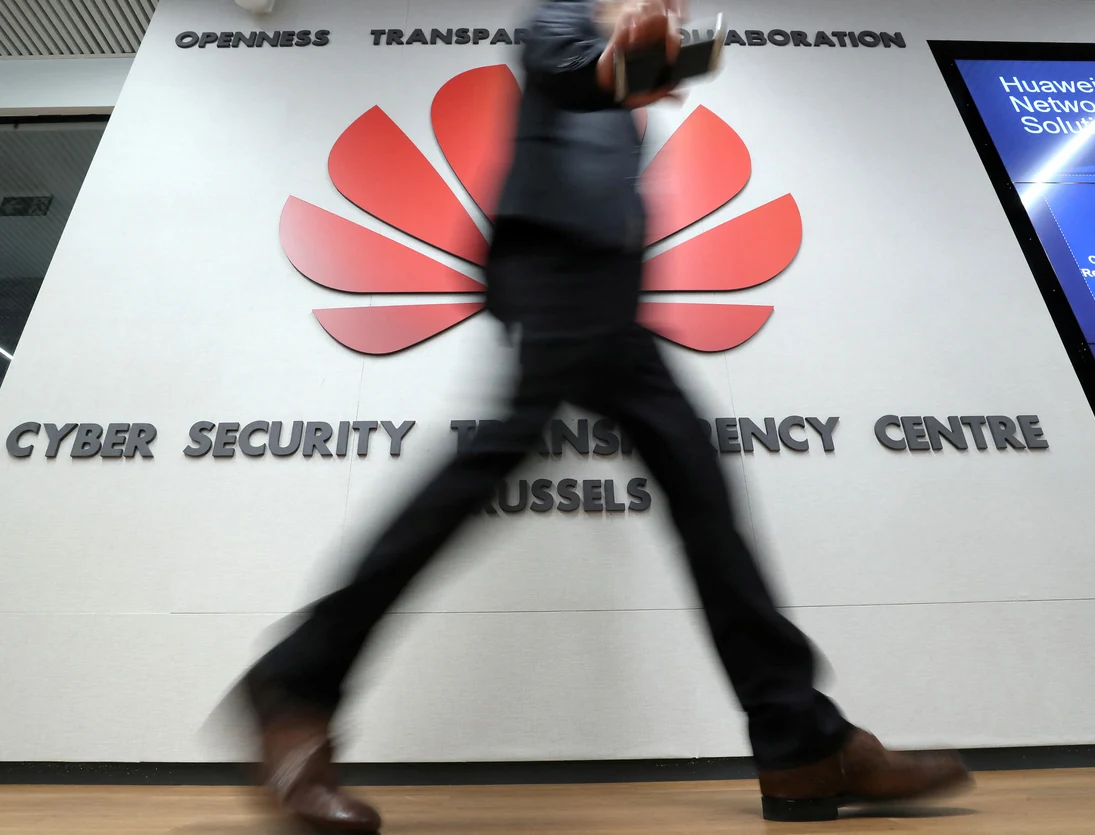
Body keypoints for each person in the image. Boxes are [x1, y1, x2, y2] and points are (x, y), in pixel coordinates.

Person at [232, 1, 972, 830]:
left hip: (609, 294)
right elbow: (567, 69)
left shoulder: (621, 61)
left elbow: (616, 86)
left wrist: (640, 66)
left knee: (699, 493)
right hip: (556, 272)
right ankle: (295, 682)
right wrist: (620, 57)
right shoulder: (561, 16)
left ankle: (801, 740)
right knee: (498, 460)